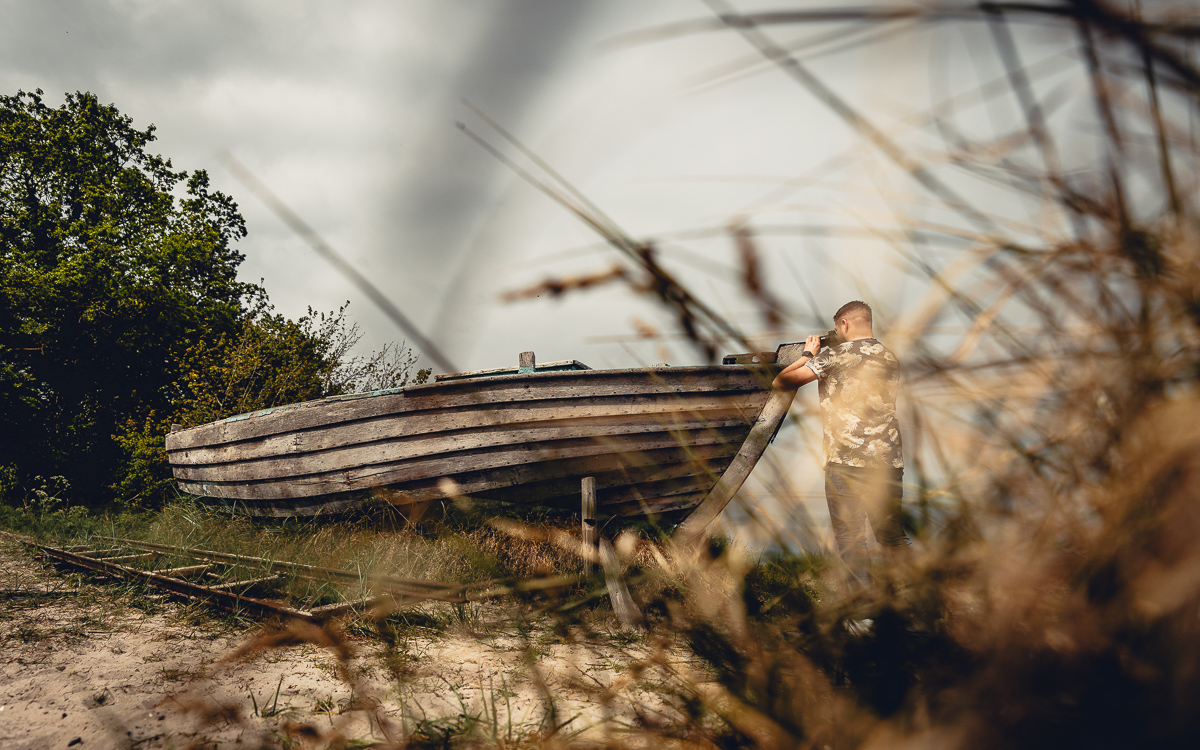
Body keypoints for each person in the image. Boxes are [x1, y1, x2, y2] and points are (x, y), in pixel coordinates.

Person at [773, 300, 909, 576]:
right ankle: (916, 601)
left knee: (851, 540)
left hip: (846, 463)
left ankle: (862, 615)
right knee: (892, 537)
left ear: (844, 324)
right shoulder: (889, 356)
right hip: (888, 462)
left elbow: (781, 382)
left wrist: (807, 354)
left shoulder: (835, 356)